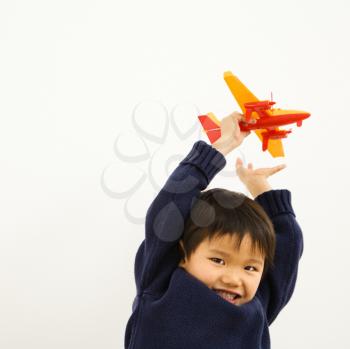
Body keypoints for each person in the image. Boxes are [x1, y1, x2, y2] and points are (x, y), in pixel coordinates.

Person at [124, 112, 304, 349]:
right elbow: (167, 212)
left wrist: (261, 189)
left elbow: (288, 248)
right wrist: (222, 146)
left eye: (250, 267)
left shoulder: (257, 306)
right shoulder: (161, 283)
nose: (232, 279)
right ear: (184, 252)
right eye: (218, 260)